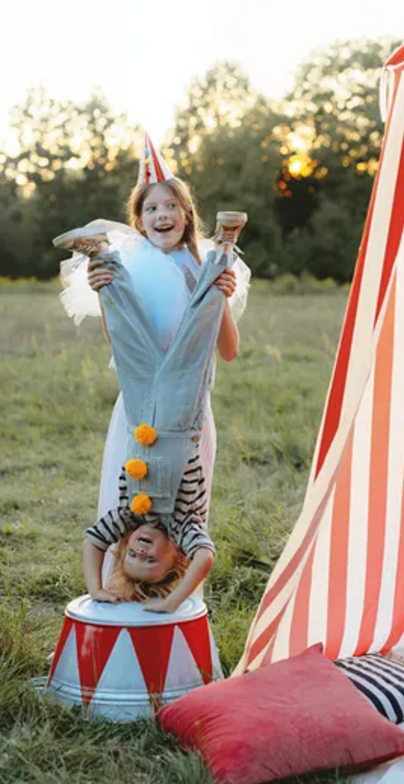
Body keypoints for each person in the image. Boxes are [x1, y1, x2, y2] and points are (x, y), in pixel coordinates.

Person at [57, 133, 250, 586]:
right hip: (141, 402)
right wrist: (106, 292)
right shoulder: (136, 267)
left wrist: (216, 296)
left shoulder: (198, 269)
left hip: (188, 407)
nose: (162, 214)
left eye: (170, 206)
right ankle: (119, 589)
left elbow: (229, 350)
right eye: (151, 209)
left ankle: (174, 591)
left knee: (185, 503)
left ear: (187, 215)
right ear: (139, 221)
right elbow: (120, 346)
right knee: (130, 497)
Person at [82, 447, 214, 613]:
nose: (140, 551)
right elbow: (205, 557)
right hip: (179, 436)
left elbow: (92, 541)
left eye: (132, 554)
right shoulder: (181, 528)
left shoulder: (128, 517)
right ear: (179, 556)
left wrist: (95, 590)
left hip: (142, 436)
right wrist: (173, 602)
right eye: (150, 560)